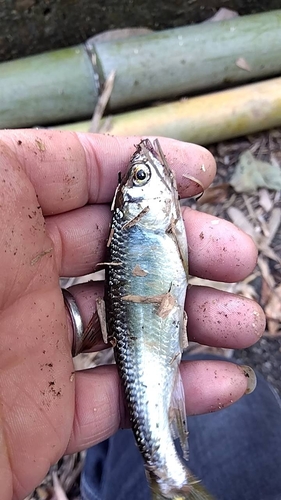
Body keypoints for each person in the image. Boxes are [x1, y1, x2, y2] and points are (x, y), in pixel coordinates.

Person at [0, 130, 278, 500]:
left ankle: (139, 477)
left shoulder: (142, 228)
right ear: (134, 208)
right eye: (142, 178)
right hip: (147, 337)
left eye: (140, 176)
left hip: (149, 336)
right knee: (247, 412)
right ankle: (163, 474)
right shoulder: (145, 227)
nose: (149, 166)